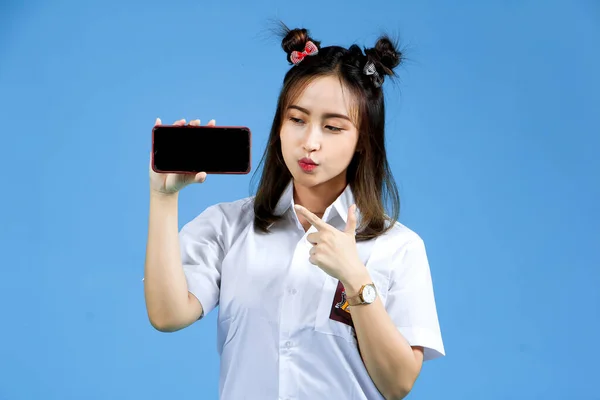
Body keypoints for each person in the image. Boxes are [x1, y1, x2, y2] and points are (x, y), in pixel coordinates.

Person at [144, 25, 445, 400]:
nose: (310, 142)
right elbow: (167, 315)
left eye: (333, 127)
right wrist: (163, 198)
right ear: (279, 127)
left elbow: (398, 383)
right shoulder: (230, 225)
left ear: (362, 143)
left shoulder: (399, 247)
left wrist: (355, 278)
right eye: (297, 119)